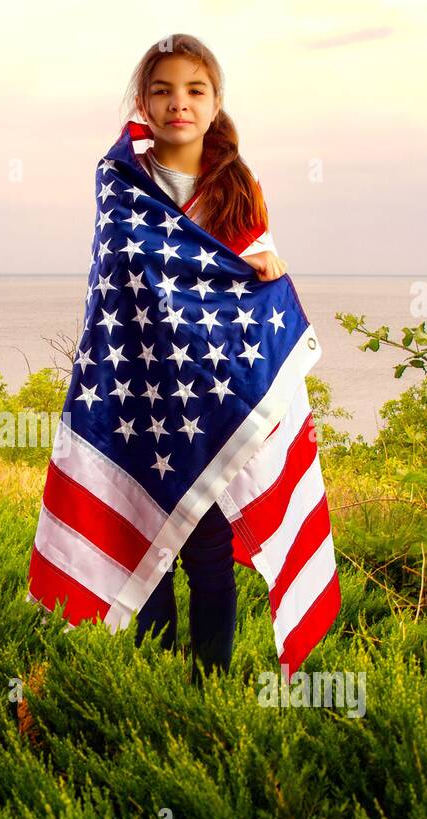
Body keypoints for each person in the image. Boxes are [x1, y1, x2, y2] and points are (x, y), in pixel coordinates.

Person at [122, 35, 289, 687]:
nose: (178, 103)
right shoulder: (124, 180)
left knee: (210, 551)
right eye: (162, 89)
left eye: (194, 90)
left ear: (216, 104)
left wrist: (266, 270)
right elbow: (119, 281)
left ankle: (210, 688)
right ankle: (154, 688)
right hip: (141, 392)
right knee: (149, 550)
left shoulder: (238, 187)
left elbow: (257, 277)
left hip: (212, 396)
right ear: (144, 102)